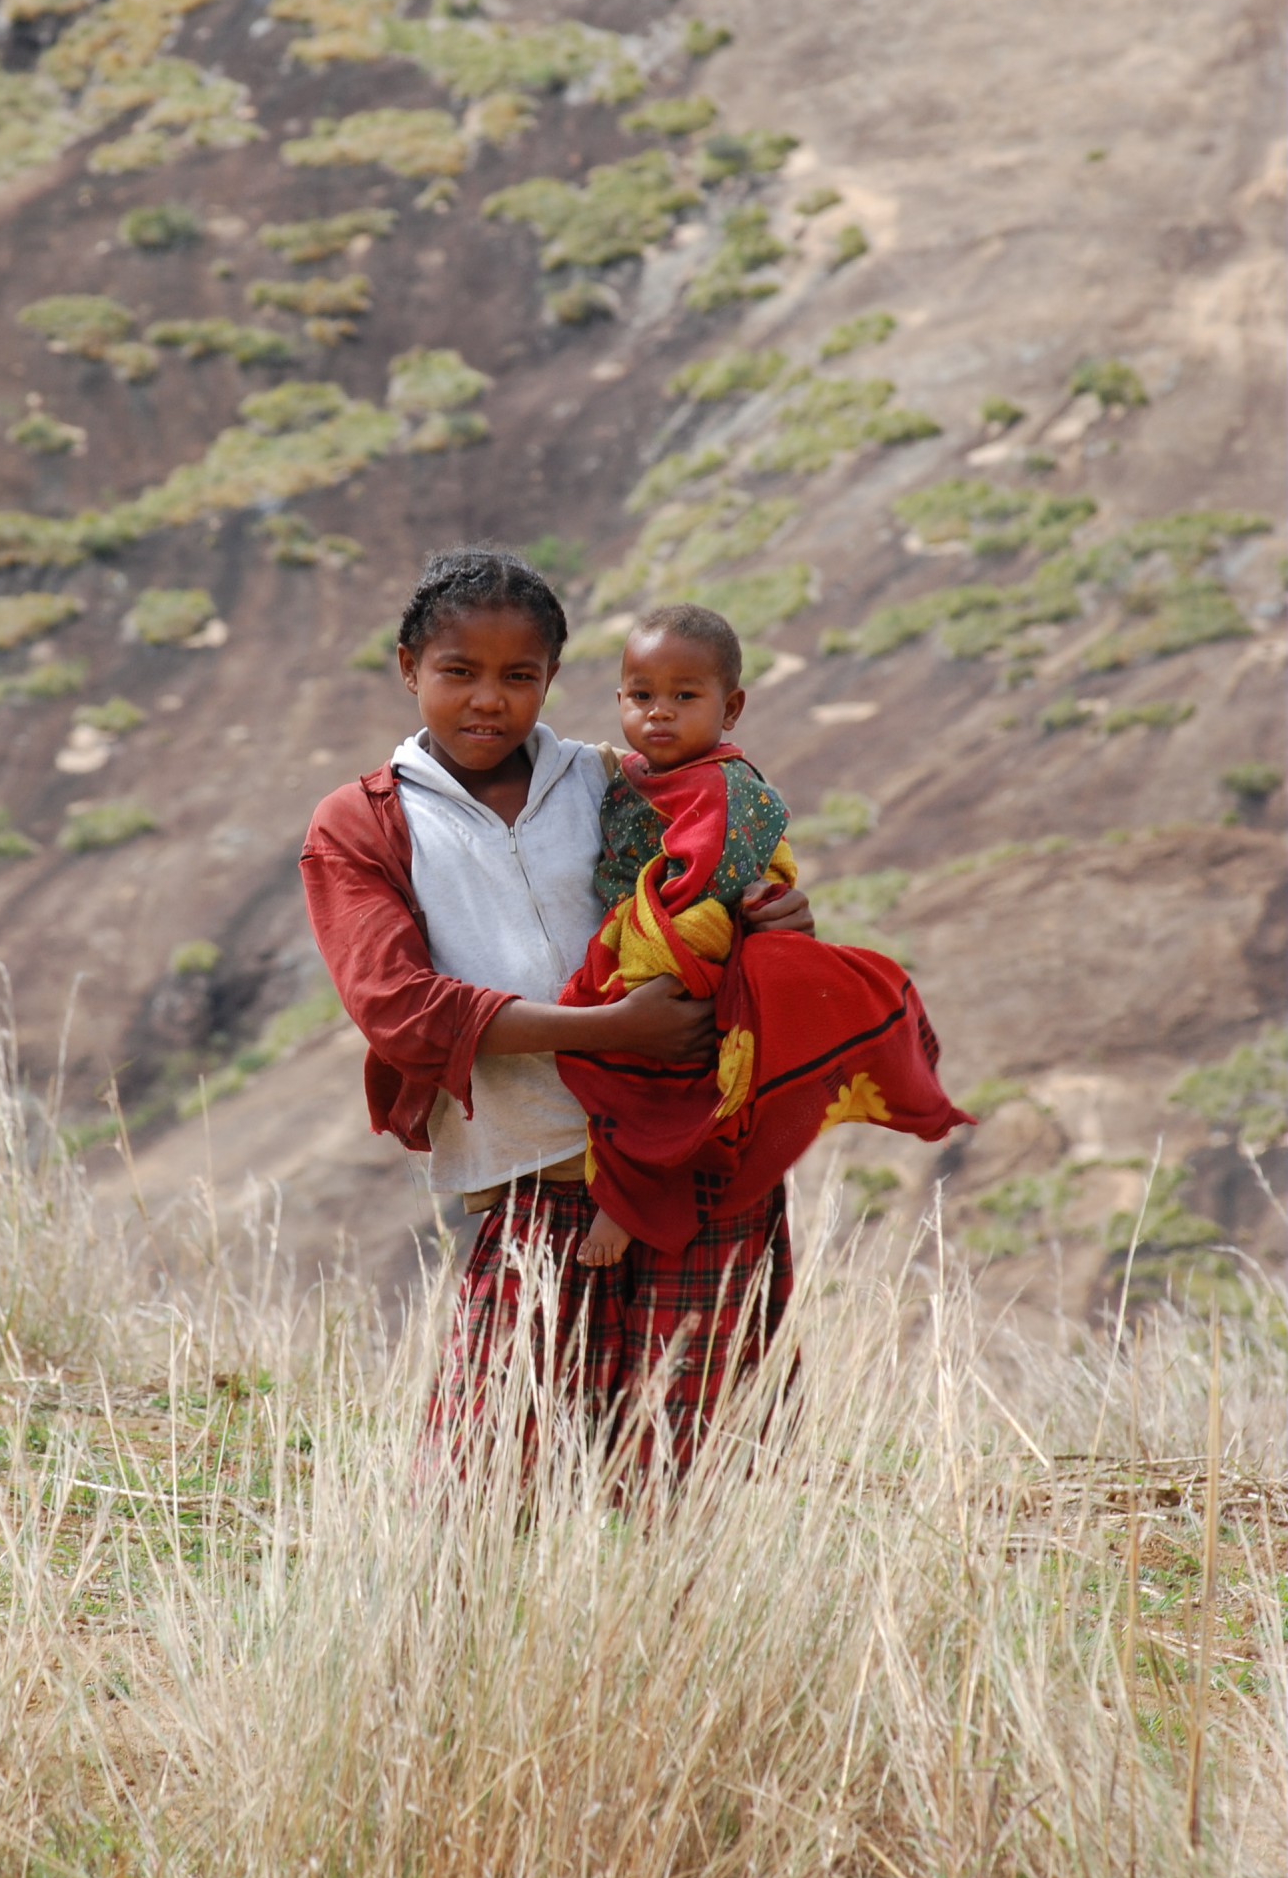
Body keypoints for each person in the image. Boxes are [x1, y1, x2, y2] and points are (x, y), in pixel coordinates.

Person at [298, 547, 816, 1475]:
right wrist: (605, 1033)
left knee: (700, 1469)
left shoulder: (614, 782)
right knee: (488, 1473)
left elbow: (713, 892)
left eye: (518, 676)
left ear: (552, 681)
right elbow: (398, 1009)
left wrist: (778, 919)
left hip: (689, 1155)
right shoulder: (365, 821)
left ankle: (691, 1628)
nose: (487, 700)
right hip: (528, 1171)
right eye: (457, 672)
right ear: (409, 668)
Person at [558, 602, 973, 1270]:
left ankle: (631, 1199)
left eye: (683, 697)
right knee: (607, 1051)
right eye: (641, 696)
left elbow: (703, 884)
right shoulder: (628, 775)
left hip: (694, 945)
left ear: (730, 708)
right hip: (650, 927)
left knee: (650, 1073)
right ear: (618, 699)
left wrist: (641, 957)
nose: (657, 712)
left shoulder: (726, 789)